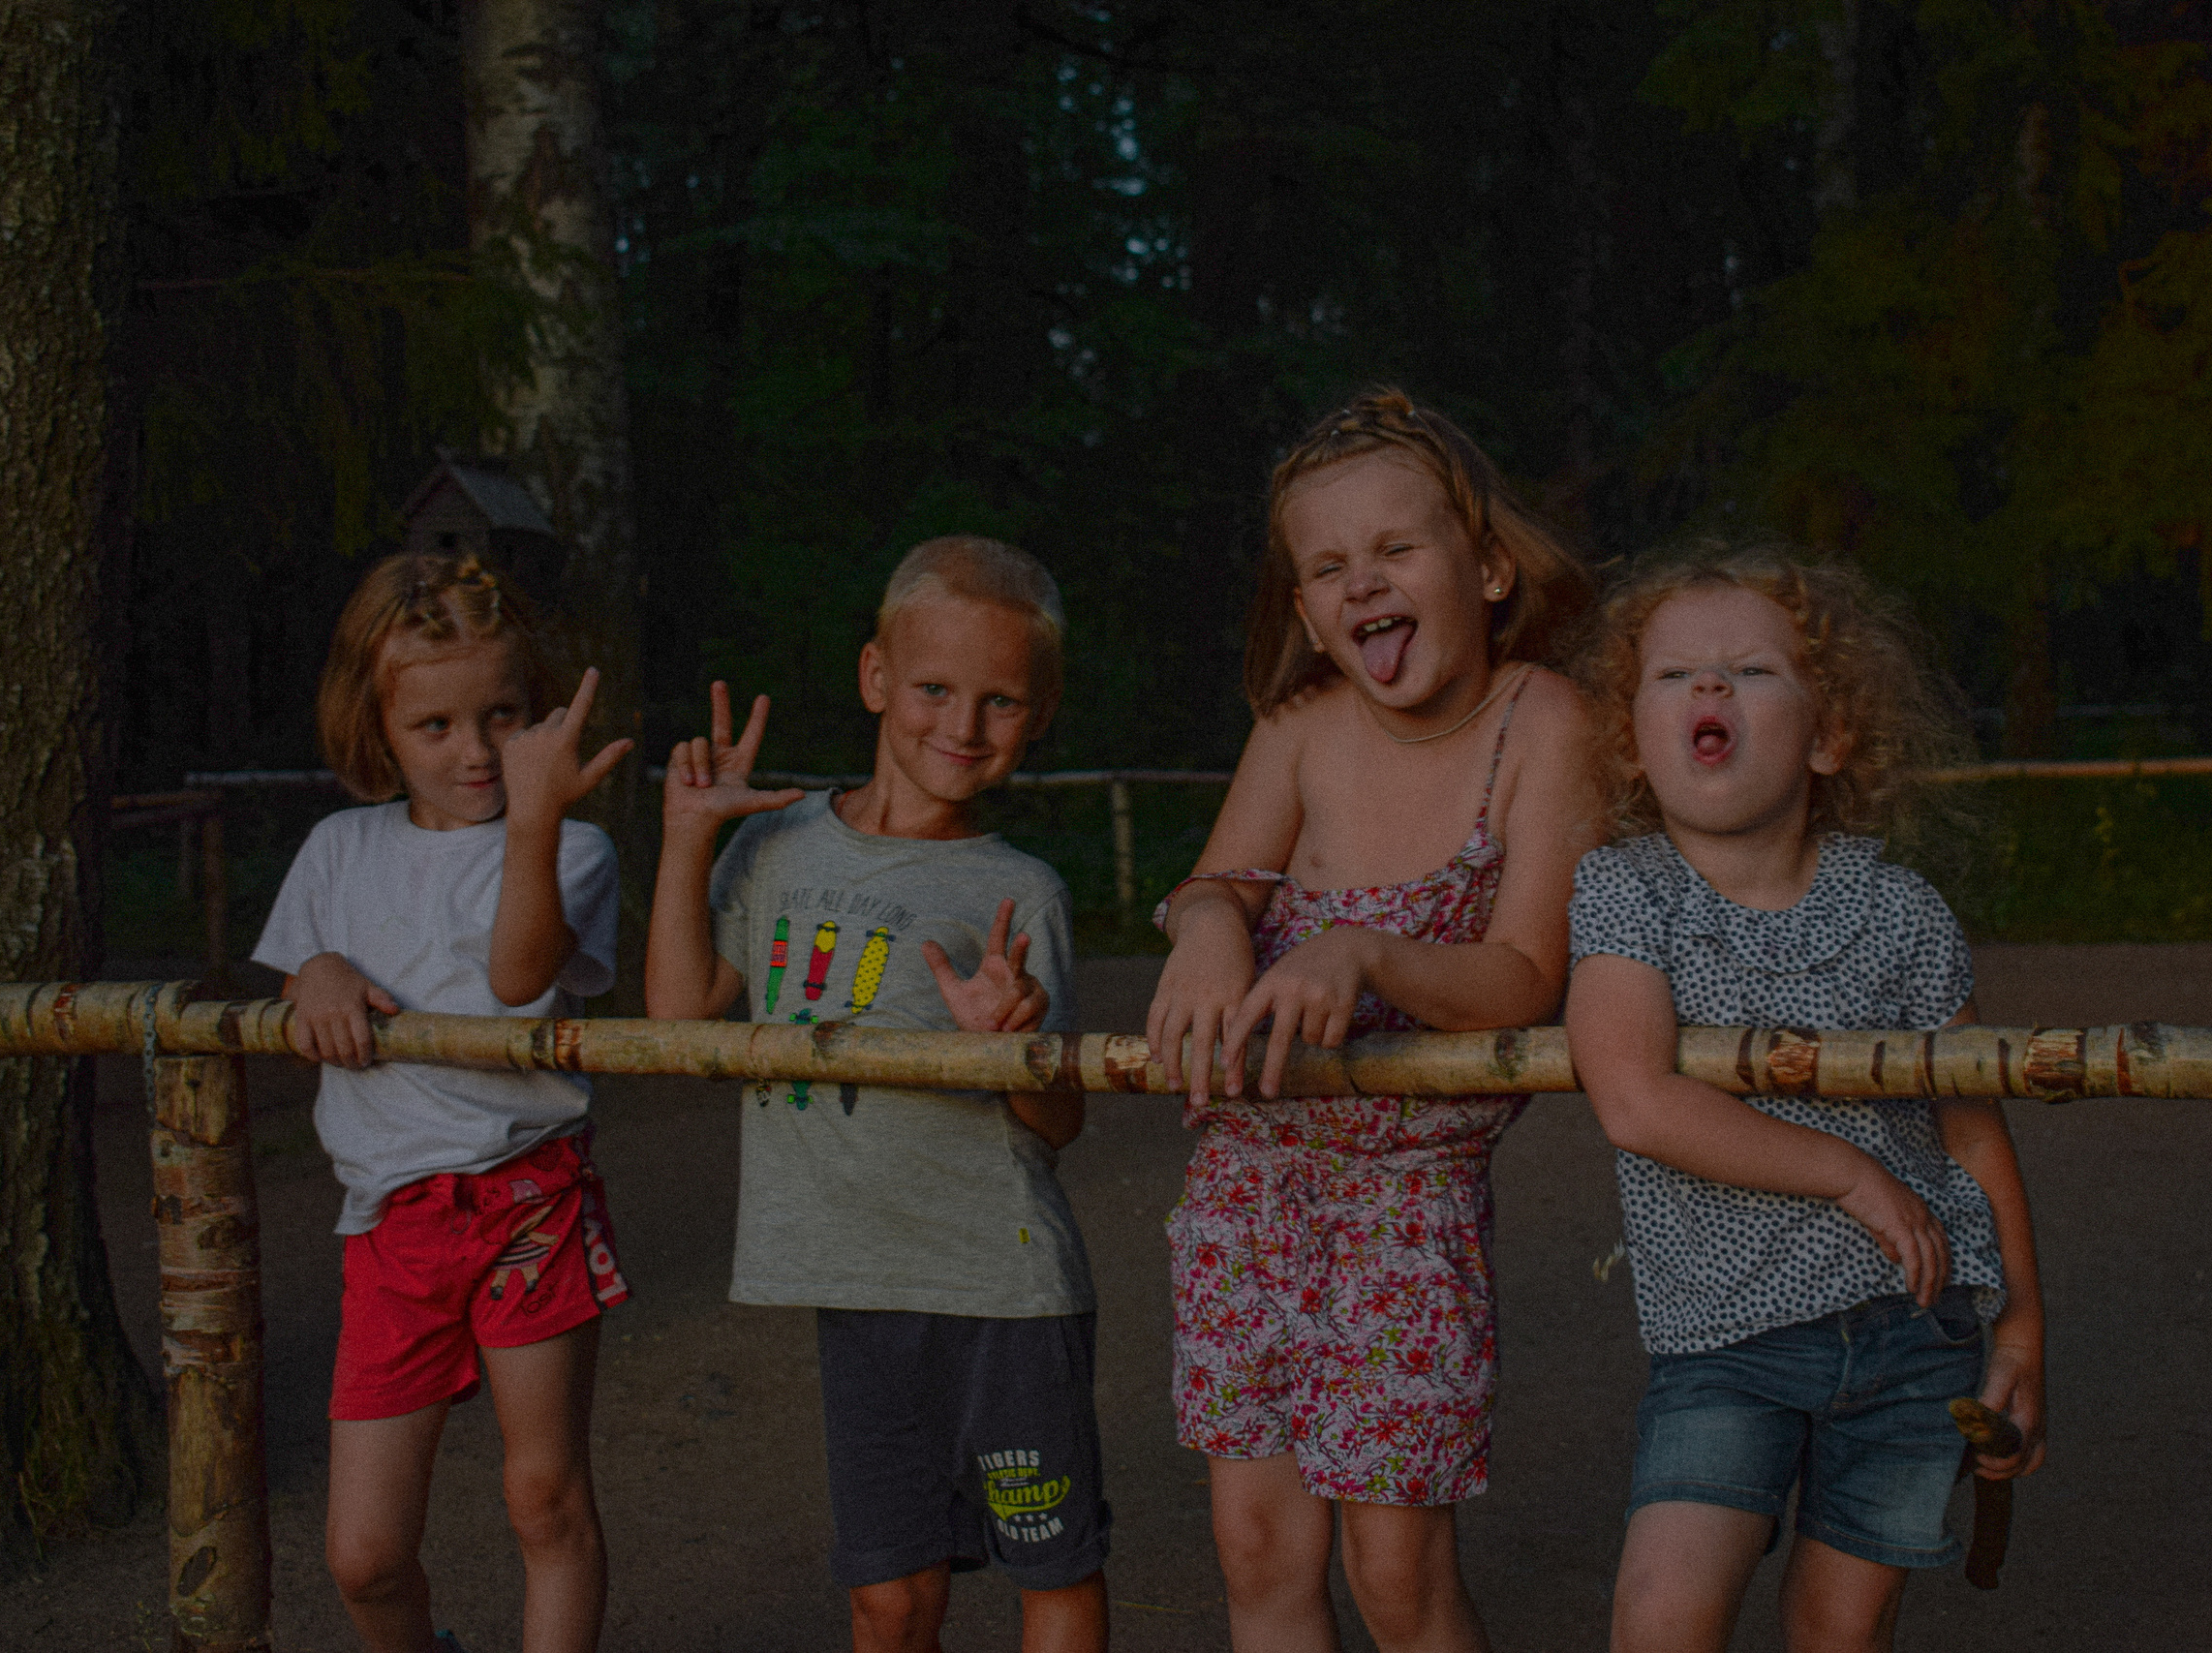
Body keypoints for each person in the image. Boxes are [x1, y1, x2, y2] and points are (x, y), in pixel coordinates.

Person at [1148, 388, 1603, 1652]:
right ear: (1303, 609)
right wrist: (1207, 929)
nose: (1363, 584)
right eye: (1328, 566)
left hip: (1411, 1199)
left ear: (1491, 566)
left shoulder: (1542, 724)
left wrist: (1368, 951)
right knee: (1257, 1548)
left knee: (1394, 1567)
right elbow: (1217, 879)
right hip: (1250, 1184)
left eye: (1396, 551)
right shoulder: (1296, 728)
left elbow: (1524, 975)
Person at [1563, 544, 2048, 1653]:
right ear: (1632, 743)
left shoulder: (1903, 912)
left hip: (1913, 1334)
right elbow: (1635, 1098)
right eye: (1673, 674)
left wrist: (2018, 1322)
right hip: (1724, 1346)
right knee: (1659, 1620)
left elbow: (1970, 1125)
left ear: (1830, 734)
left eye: (1749, 669)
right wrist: (1848, 1173)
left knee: (1841, 1634)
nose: (1708, 688)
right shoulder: (1627, 892)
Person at [645, 536, 1111, 1653]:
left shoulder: (1018, 891)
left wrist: (1016, 1047)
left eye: (1001, 701)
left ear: (1038, 715)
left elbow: (1059, 1123)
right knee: (887, 1598)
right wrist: (683, 838)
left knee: (1050, 1566)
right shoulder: (773, 845)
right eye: (935, 689)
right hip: (854, 1286)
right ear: (875, 679)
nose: (961, 724)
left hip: (1002, 1291)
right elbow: (677, 1017)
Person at [253, 552, 633, 1653]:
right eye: (436, 726)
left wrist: (531, 819)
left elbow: (520, 979)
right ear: (377, 731)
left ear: (538, 710)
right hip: (388, 1225)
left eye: (502, 715)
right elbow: (298, 975)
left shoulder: (573, 847)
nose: (476, 751)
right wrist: (316, 971)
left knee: (543, 1498)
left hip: (528, 1201)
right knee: (363, 1556)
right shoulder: (337, 849)